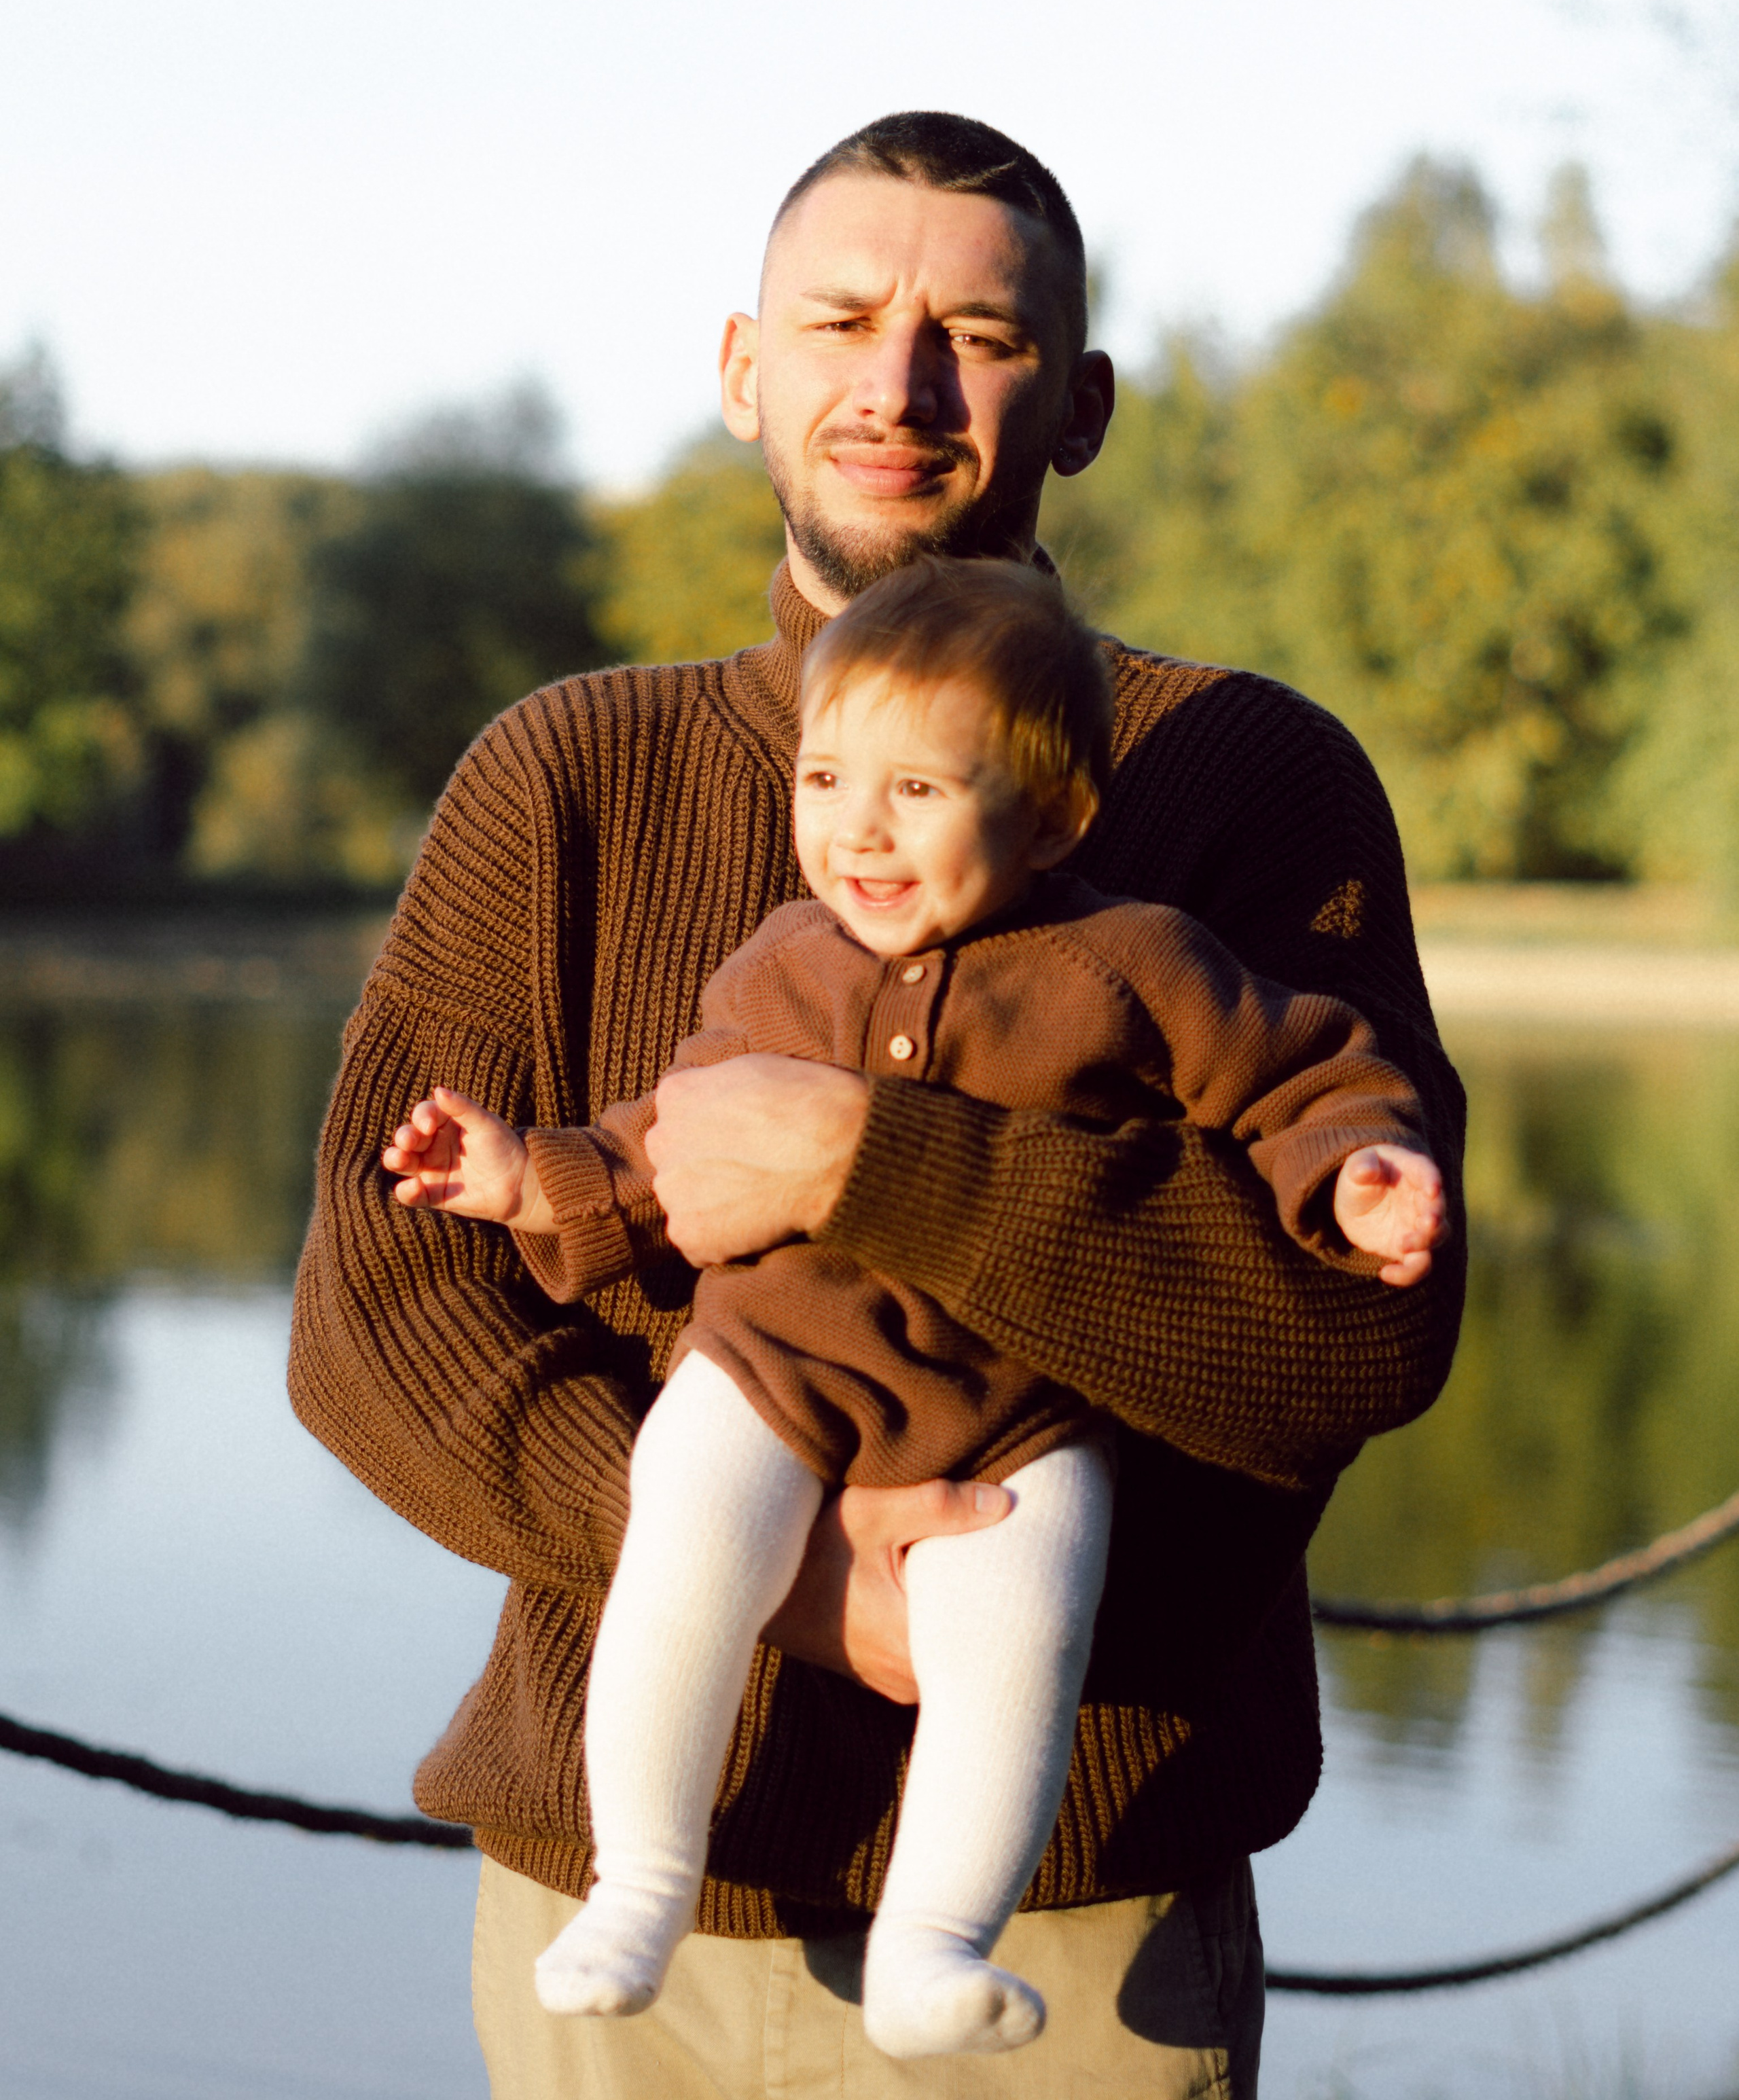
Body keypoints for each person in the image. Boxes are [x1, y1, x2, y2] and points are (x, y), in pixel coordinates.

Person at [290, 109, 1466, 2098]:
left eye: (980, 337)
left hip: (1073, 1931)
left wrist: (872, 1161)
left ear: (1078, 402)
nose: (899, 384)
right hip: (613, 1929)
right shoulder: (566, 772)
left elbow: (1354, 1337)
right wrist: (786, 1576)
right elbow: (376, 1320)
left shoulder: (1251, 782)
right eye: (841, 319)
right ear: (744, 367)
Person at [380, 560, 1448, 2064]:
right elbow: (652, 1149)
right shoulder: (773, 954)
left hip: (1012, 1417)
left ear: (1052, 816)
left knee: (1017, 1624)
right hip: (770, 1367)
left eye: (917, 789)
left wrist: (1357, 1166)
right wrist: (522, 1177)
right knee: (681, 1525)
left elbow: (1296, 1077)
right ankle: (641, 1875)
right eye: (824, 780)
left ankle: (936, 1942)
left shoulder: (1129, 963)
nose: (857, 828)